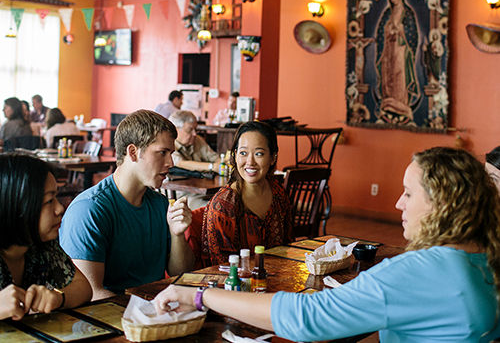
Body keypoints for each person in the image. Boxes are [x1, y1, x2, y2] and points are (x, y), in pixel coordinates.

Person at [154, 147, 500, 342]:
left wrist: (199, 295)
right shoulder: (485, 258)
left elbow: (306, 318)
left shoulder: (418, 272)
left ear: (444, 204)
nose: (398, 204)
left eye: (409, 193)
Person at [59, 110, 194, 300]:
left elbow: (180, 275)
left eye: (171, 153)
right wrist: (146, 315)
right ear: (133, 152)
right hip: (108, 318)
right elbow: (91, 294)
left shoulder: (160, 203)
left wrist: (177, 234)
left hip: (153, 311)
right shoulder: (89, 209)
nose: (170, 162)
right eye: (162, 153)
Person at [0, 154, 91, 321]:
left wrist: (57, 298)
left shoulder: (41, 245)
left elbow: (84, 288)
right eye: (49, 201)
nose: (60, 208)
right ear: (17, 205)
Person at [200, 121, 294, 266]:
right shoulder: (224, 205)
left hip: (277, 280)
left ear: (273, 158)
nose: (250, 162)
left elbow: (288, 247)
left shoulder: (278, 192)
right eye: (243, 153)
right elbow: (221, 268)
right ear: (235, 155)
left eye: (259, 154)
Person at [375, 0, 420, 125]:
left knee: (400, 74)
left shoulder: (408, 12)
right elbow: (381, 30)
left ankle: (401, 103)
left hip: (401, 48)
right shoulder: (387, 13)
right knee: (387, 74)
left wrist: (401, 29)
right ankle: (388, 102)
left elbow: (413, 33)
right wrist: (389, 30)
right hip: (388, 48)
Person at [169, 110, 221, 209]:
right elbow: (181, 163)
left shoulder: (197, 140)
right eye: (190, 130)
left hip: (204, 191)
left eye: (195, 130)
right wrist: (211, 167)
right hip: (181, 196)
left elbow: (216, 159)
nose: (194, 134)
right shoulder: (169, 144)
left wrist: (218, 165)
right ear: (175, 130)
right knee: (212, 209)